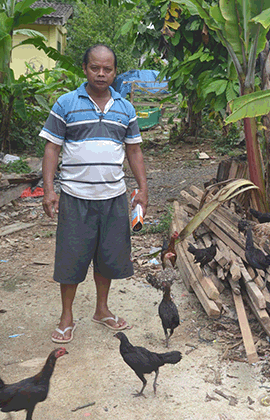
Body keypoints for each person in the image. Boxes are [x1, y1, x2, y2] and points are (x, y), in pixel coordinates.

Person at [40, 44, 148, 343]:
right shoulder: (65, 104)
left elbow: (134, 150)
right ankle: (66, 316)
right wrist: (50, 190)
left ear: (115, 72)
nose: (101, 74)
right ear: (85, 68)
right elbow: (52, 148)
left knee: (108, 257)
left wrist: (142, 188)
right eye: (95, 68)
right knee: (71, 258)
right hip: (75, 196)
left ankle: (102, 309)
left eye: (108, 69)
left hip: (113, 196)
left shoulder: (125, 109)